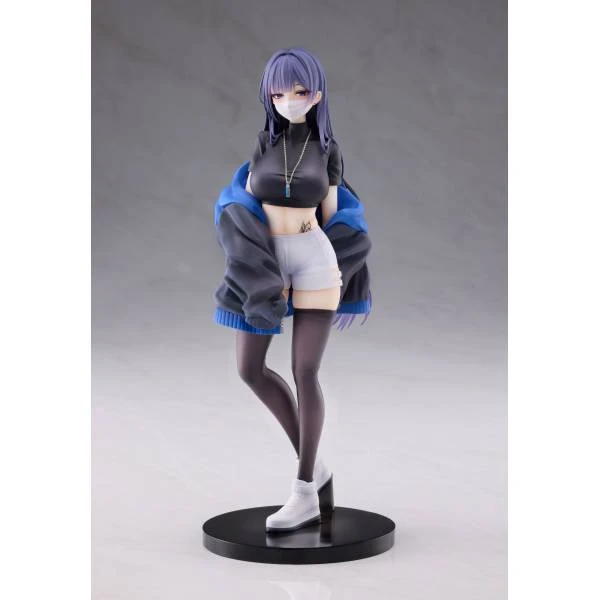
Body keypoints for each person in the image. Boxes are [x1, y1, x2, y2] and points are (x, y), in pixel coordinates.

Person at [212, 48, 373, 532]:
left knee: (305, 371)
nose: (289, 100)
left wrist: (345, 266)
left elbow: (336, 215)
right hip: (268, 259)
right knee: (250, 369)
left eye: (300, 91)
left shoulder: (327, 150)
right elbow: (245, 205)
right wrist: (254, 261)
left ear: (316, 95)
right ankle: (316, 467)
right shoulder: (264, 143)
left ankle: (304, 491)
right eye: (278, 92)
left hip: (314, 258)